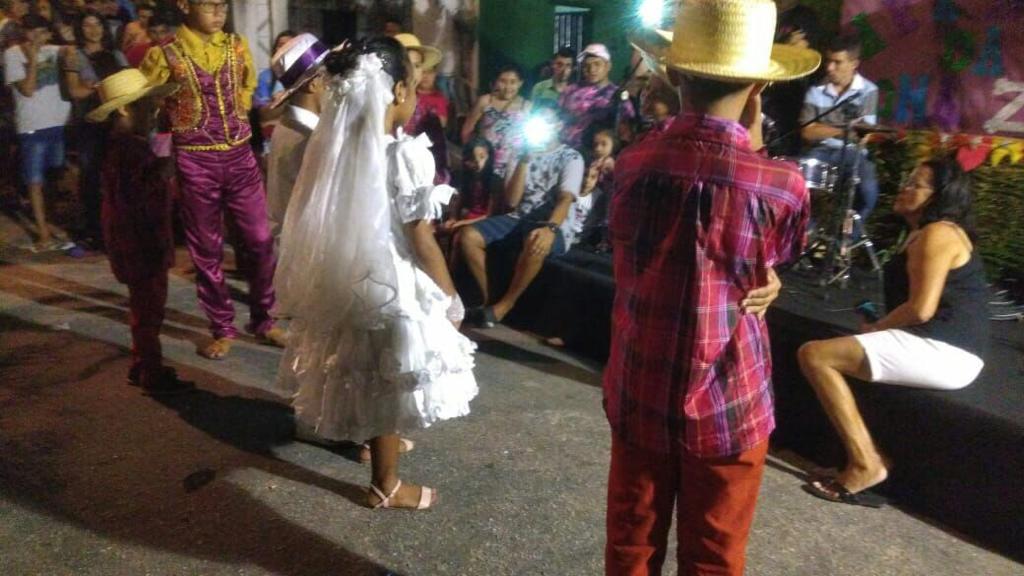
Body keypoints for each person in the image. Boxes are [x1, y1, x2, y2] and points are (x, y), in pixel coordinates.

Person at [608, 1, 819, 573]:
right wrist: (752, 146)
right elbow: (774, 257)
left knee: (630, 547)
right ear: (759, 86)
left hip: (641, 386)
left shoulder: (633, 163)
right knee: (716, 558)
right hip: (732, 400)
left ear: (674, 73)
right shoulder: (782, 184)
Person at [274, 36, 477, 510]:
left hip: (350, 270)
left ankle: (377, 454)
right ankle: (386, 485)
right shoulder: (403, 154)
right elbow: (420, 237)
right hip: (392, 277)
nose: (416, 96)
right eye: (414, 86)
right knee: (387, 375)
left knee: (365, 368)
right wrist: (450, 296)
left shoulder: (335, 148)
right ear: (399, 91)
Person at [798, 157, 989, 507]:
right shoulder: (925, 232)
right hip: (936, 343)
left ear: (940, 196)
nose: (904, 188)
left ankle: (865, 463)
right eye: (907, 180)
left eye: (916, 184)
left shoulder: (939, 233)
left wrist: (877, 328)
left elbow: (921, 309)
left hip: (946, 350)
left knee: (815, 355)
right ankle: (864, 458)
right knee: (827, 351)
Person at [140, 0, 285, 359]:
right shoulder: (164, 54)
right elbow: (149, 107)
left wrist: (239, 111)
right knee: (206, 249)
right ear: (185, 5)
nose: (219, 13)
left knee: (260, 240)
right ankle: (222, 326)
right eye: (209, 5)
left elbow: (247, 88)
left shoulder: (236, 45)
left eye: (222, 5)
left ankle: (265, 318)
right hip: (195, 160)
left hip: (240, 156)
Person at [86, 67, 193, 395]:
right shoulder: (129, 150)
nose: (154, 111)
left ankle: (142, 363)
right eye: (147, 105)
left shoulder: (121, 146)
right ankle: (151, 371)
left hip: (132, 241)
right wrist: (163, 172)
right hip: (142, 243)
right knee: (149, 310)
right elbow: (140, 196)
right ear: (124, 109)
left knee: (143, 307)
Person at [460, 106, 583, 328]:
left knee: (535, 239)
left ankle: (505, 305)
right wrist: (524, 160)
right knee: (468, 236)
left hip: (553, 222)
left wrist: (550, 228)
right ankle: (490, 300)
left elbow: (566, 199)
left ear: (558, 126)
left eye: (547, 122)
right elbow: (512, 201)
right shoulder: (519, 153)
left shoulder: (571, 157)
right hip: (519, 217)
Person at [4, 13, 73, 251]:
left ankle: (51, 222)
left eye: (42, 32)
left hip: (58, 122)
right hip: (32, 124)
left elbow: (73, 53)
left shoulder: (53, 50)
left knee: (54, 177)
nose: (36, 36)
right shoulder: (12, 54)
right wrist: (33, 60)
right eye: (32, 31)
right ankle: (43, 233)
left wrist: (69, 41)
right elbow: (28, 89)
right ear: (24, 32)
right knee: (35, 181)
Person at [800, 35, 880, 236]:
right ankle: (805, 237)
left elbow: (864, 134)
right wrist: (845, 130)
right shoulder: (816, 90)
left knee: (868, 190)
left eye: (837, 62)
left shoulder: (868, 91)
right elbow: (807, 132)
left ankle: (847, 241)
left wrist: (823, 128)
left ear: (854, 64)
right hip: (821, 151)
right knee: (802, 185)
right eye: (828, 61)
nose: (829, 68)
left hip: (853, 153)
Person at [61, 8, 126, 248]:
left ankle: (119, 227)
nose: (93, 30)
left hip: (117, 122)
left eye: (97, 24)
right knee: (90, 176)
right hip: (89, 123)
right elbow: (74, 91)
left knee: (117, 176)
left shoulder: (116, 54)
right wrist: (98, 88)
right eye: (87, 25)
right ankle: (95, 229)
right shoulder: (74, 56)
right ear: (80, 29)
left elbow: (128, 86)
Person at [264, 32, 328, 239]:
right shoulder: (306, 138)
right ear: (314, 83)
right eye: (330, 79)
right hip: (303, 246)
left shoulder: (292, 126)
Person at [559, 43, 635, 149]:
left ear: (608, 66)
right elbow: (558, 118)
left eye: (597, 64)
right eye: (586, 66)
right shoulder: (570, 91)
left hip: (598, 153)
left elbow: (625, 131)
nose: (591, 69)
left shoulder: (617, 95)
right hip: (566, 151)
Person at [460, 63, 530, 178]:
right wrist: (472, 155)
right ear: (496, 81)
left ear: (520, 83)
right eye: (503, 81)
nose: (508, 87)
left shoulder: (526, 107)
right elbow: (467, 130)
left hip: (512, 167)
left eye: (513, 82)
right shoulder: (485, 101)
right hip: (486, 164)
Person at [441, 137, 501, 268]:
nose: (478, 162)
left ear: (489, 157)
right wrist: (453, 218)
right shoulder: (467, 177)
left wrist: (461, 223)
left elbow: (489, 215)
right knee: (440, 228)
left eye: (482, 157)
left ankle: (451, 273)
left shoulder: (494, 181)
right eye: (473, 159)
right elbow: (459, 201)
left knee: (457, 237)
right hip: (468, 217)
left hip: (483, 220)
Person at [403, 61, 449, 184]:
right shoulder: (407, 94)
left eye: (430, 72)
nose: (426, 76)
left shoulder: (439, 99)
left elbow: (441, 126)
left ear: (435, 74)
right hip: (406, 144)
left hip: (429, 148)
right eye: (422, 72)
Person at [252, 29, 294, 110]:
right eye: (281, 45)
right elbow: (261, 107)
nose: (284, 48)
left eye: (289, 45)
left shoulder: (305, 74)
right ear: (275, 49)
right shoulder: (265, 76)